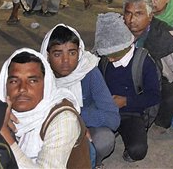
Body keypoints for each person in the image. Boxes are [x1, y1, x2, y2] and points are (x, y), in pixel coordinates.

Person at [41, 24, 120, 167]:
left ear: (80, 52)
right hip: (52, 132)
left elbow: (113, 118)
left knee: (104, 139)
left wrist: (77, 120)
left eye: (72, 53)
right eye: (57, 54)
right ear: (47, 55)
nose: (66, 61)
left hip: (85, 129)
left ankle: (92, 162)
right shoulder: (40, 77)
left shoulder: (89, 71)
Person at [0, 48, 91, 168]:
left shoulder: (63, 119)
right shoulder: (0, 111)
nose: (22, 89)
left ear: (46, 84)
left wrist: (5, 135)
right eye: (14, 81)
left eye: (32, 81)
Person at [94, 12, 161, 162]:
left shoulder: (145, 62)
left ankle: (125, 142)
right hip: (107, 109)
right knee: (94, 141)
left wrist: (126, 101)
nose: (109, 58)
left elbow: (154, 96)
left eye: (113, 54)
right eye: (106, 55)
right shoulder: (104, 61)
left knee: (137, 151)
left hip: (131, 113)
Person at [123, 0, 173, 130]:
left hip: (158, 80)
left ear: (150, 16)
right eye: (128, 13)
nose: (131, 20)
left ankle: (158, 121)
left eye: (138, 14)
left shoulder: (165, 37)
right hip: (123, 77)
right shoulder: (116, 29)